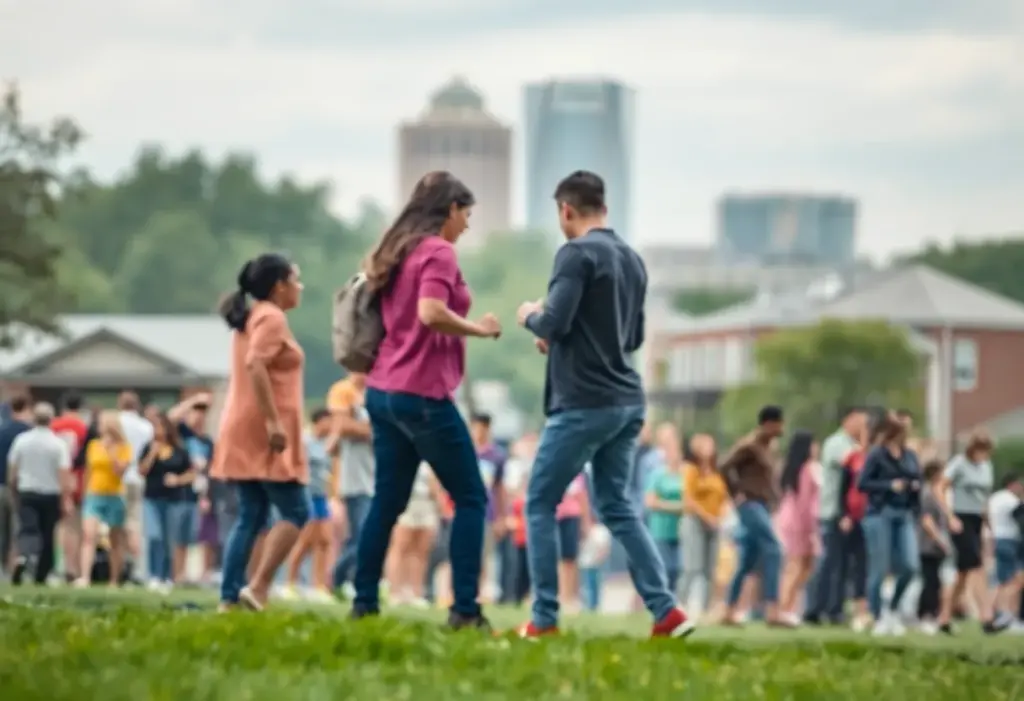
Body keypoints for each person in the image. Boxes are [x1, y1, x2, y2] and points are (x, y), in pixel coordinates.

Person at [515, 170, 690, 638]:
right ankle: (665, 610)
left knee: (538, 501)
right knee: (617, 505)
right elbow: (629, 336)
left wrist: (530, 315)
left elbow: (553, 320)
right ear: (604, 209)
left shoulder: (574, 254)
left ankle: (544, 619)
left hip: (583, 401)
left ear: (565, 211)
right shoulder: (632, 260)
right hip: (627, 400)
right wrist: (562, 338)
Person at [351, 171, 500, 630]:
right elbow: (430, 313)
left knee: (387, 501)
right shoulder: (437, 250)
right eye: (467, 214)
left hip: (383, 390)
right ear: (450, 209)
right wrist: (480, 329)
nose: (468, 226)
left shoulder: (396, 249)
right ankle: (465, 610)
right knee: (472, 497)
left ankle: (363, 603)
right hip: (423, 394)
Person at [212, 253, 310, 611]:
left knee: (251, 514)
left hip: (242, 424)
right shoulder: (271, 316)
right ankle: (258, 587)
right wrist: (273, 421)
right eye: (296, 279)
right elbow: (256, 363)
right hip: (265, 430)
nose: (300, 287)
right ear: (279, 286)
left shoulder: (252, 316)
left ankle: (229, 597)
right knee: (297, 511)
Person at [721, 406, 791, 627]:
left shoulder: (768, 448)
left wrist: (775, 499)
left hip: (762, 506)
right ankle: (773, 610)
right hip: (749, 505)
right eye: (779, 423)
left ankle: (728, 611)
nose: (782, 428)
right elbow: (724, 466)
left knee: (748, 559)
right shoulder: (749, 445)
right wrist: (736, 494)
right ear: (769, 424)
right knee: (774, 549)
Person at [857, 413, 921, 636]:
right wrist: (889, 485)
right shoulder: (877, 455)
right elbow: (862, 483)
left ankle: (893, 608)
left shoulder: (910, 456)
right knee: (880, 567)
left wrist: (914, 487)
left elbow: (918, 479)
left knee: (910, 566)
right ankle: (878, 616)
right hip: (880, 513)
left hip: (904, 514)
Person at [939, 430, 1008, 634]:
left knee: (963, 573)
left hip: (977, 519)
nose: (984, 455)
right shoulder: (959, 463)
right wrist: (950, 516)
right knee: (977, 566)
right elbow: (940, 487)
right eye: (981, 451)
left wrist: (989, 522)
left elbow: (984, 496)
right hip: (961, 519)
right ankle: (987, 617)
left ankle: (944, 618)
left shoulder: (986, 466)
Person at [806, 407, 866, 625]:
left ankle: (834, 609)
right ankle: (814, 608)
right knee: (830, 563)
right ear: (848, 419)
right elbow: (851, 464)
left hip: (849, 514)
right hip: (833, 512)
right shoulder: (837, 443)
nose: (863, 427)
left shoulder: (853, 445)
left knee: (843, 565)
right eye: (860, 421)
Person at [7, 402, 72, 585]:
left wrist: (14, 489)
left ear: (34, 419)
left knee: (28, 529)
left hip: (27, 491)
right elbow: (63, 473)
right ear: (51, 420)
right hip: (51, 494)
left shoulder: (22, 440)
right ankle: (42, 574)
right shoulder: (58, 443)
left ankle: (25, 556)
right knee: (47, 534)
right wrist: (66, 498)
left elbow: (13, 469)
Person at [283, 408, 338, 602]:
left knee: (324, 541)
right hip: (308, 495)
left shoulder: (326, 444)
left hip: (321, 496)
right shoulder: (305, 442)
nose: (331, 425)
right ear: (319, 421)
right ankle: (291, 583)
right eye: (328, 421)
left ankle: (319, 585)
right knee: (305, 540)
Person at [330, 372, 375, 599]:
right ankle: (337, 578)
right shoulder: (344, 390)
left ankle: (344, 580)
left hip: (372, 478)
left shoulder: (372, 391)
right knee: (361, 535)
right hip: (353, 478)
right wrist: (370, 428)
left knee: (361, 535)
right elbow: (341, 426)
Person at [168, 392, 221, 585]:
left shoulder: (207, 442)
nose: (199, 416)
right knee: (180, 538)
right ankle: (179, 575)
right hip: (181, 492)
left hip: (202, 494)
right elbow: (171, 417)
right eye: (195, 412)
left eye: (202, 413)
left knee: (206, 537)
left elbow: (210, 472)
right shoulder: (182, 434)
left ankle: (204, 575)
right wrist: (193, 401)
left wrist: (208, 496)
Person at [77, 410, 134, 588]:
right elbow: (88, 470)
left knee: (114, 539)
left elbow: (121, 472)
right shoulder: (94, 445)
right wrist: (84, 492)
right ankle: (85, 577)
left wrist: (111, 451)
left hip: (115, 495)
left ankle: (114, 580)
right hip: (94, 493)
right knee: (89, 536)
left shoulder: (124, 447)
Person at [139, 413, 194, 591]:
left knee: (170, 538)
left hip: (173, 499)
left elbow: (191, 473)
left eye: (161, 427)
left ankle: (167, 576)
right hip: (152, 498)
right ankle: (153, 574)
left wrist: (177, 480)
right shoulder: (148, 447)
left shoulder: (179, 450)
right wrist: (152, 454)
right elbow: (142, 470)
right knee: (155, 536)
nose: (158, 431)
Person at [679, 433, 728, 615]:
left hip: (715, 524)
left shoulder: (716, 472)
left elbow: (723, 497)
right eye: (705, 444)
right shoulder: (691, 470)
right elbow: (688, 499)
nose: (710, 447)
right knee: (692, 566)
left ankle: (706, 608)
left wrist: (720, 516)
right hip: (695, 522)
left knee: (710, 569)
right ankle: (680, 604)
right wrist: (707, 517)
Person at [776, 430, 821, 624]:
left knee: (805, 566)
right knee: (795, 566)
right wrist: (810, 528)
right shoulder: (805, 470)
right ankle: (783, 608)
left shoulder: (803, 469)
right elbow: (804, 502)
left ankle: (790, 605)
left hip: (798, 520)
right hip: (798, 523)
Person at [387, 462, 442, 606]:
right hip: (408, 500)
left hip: (427, 502)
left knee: (421, 550)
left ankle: (415, 592)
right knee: (400, 546)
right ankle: (395, 592)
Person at [837, 421, 873, 632]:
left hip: (872, 516)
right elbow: (844, 487)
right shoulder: (852, 458)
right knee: (850, 564)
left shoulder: (878, 458)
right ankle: (849, 609)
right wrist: (845, 514)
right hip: (854, 517)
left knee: (867, 565)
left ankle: (865, 609)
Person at [469, 413, 508, 603]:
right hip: (466, 509)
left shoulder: (496, 456)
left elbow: (500, 488)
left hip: (487, 511)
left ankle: (484, 591)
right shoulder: (464, 451)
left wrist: (501, 516)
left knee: (486, 554)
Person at [51, 393, 89, 583]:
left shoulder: (54, 426)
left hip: (53, 479)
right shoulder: (82, 427)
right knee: (75, 526)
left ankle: (61, 565)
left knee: (58, 526)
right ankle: (74, 567)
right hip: (77, 480)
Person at [117, 391, 155, 582]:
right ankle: (138, 568)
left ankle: (121, 565)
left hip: (118, 478)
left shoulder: (116, 422)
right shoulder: (146, 426)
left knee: (118, 526)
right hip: (138, 478)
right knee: (136, 523)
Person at [644, 423, 685, 595]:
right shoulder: (657, 473)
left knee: (678, 568)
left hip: (680, 529)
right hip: (661, 527)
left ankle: (673, 602)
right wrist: (676, 507)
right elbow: (650, 501)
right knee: (664, 568)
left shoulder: (686, 472)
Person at [917, 459, 952, 634]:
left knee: (935, 581)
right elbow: (927, 521)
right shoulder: (927, 495)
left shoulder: (936, 494)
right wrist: (940, 540)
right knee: (930, 581)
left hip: (934, 547)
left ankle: (932, 614)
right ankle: (925, 614)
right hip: (927, 545)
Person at [0, 396, 32, 577]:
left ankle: (3, 569)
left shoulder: (2, 430)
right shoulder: (28, 433)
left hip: (0, 485)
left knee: (2, 531)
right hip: (20, 487)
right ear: (26, 408)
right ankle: (21, 564)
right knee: (19, 529)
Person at [988, 473, 1023, 629]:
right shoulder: (1011, 500)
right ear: (1012, 484)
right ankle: (1004, 614)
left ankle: (994, 612)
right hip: (1010, 539)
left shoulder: (994, 497)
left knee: (1002, 579)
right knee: (1011, 580)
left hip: (997, 537)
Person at [556, 472, 592, 613]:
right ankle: (562, 595)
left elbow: (582, 497)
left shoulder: (577, 475)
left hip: (571, 516)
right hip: (555, 516)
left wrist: (586, 522)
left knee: (570, 558)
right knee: (558, 560)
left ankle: (569, 596)